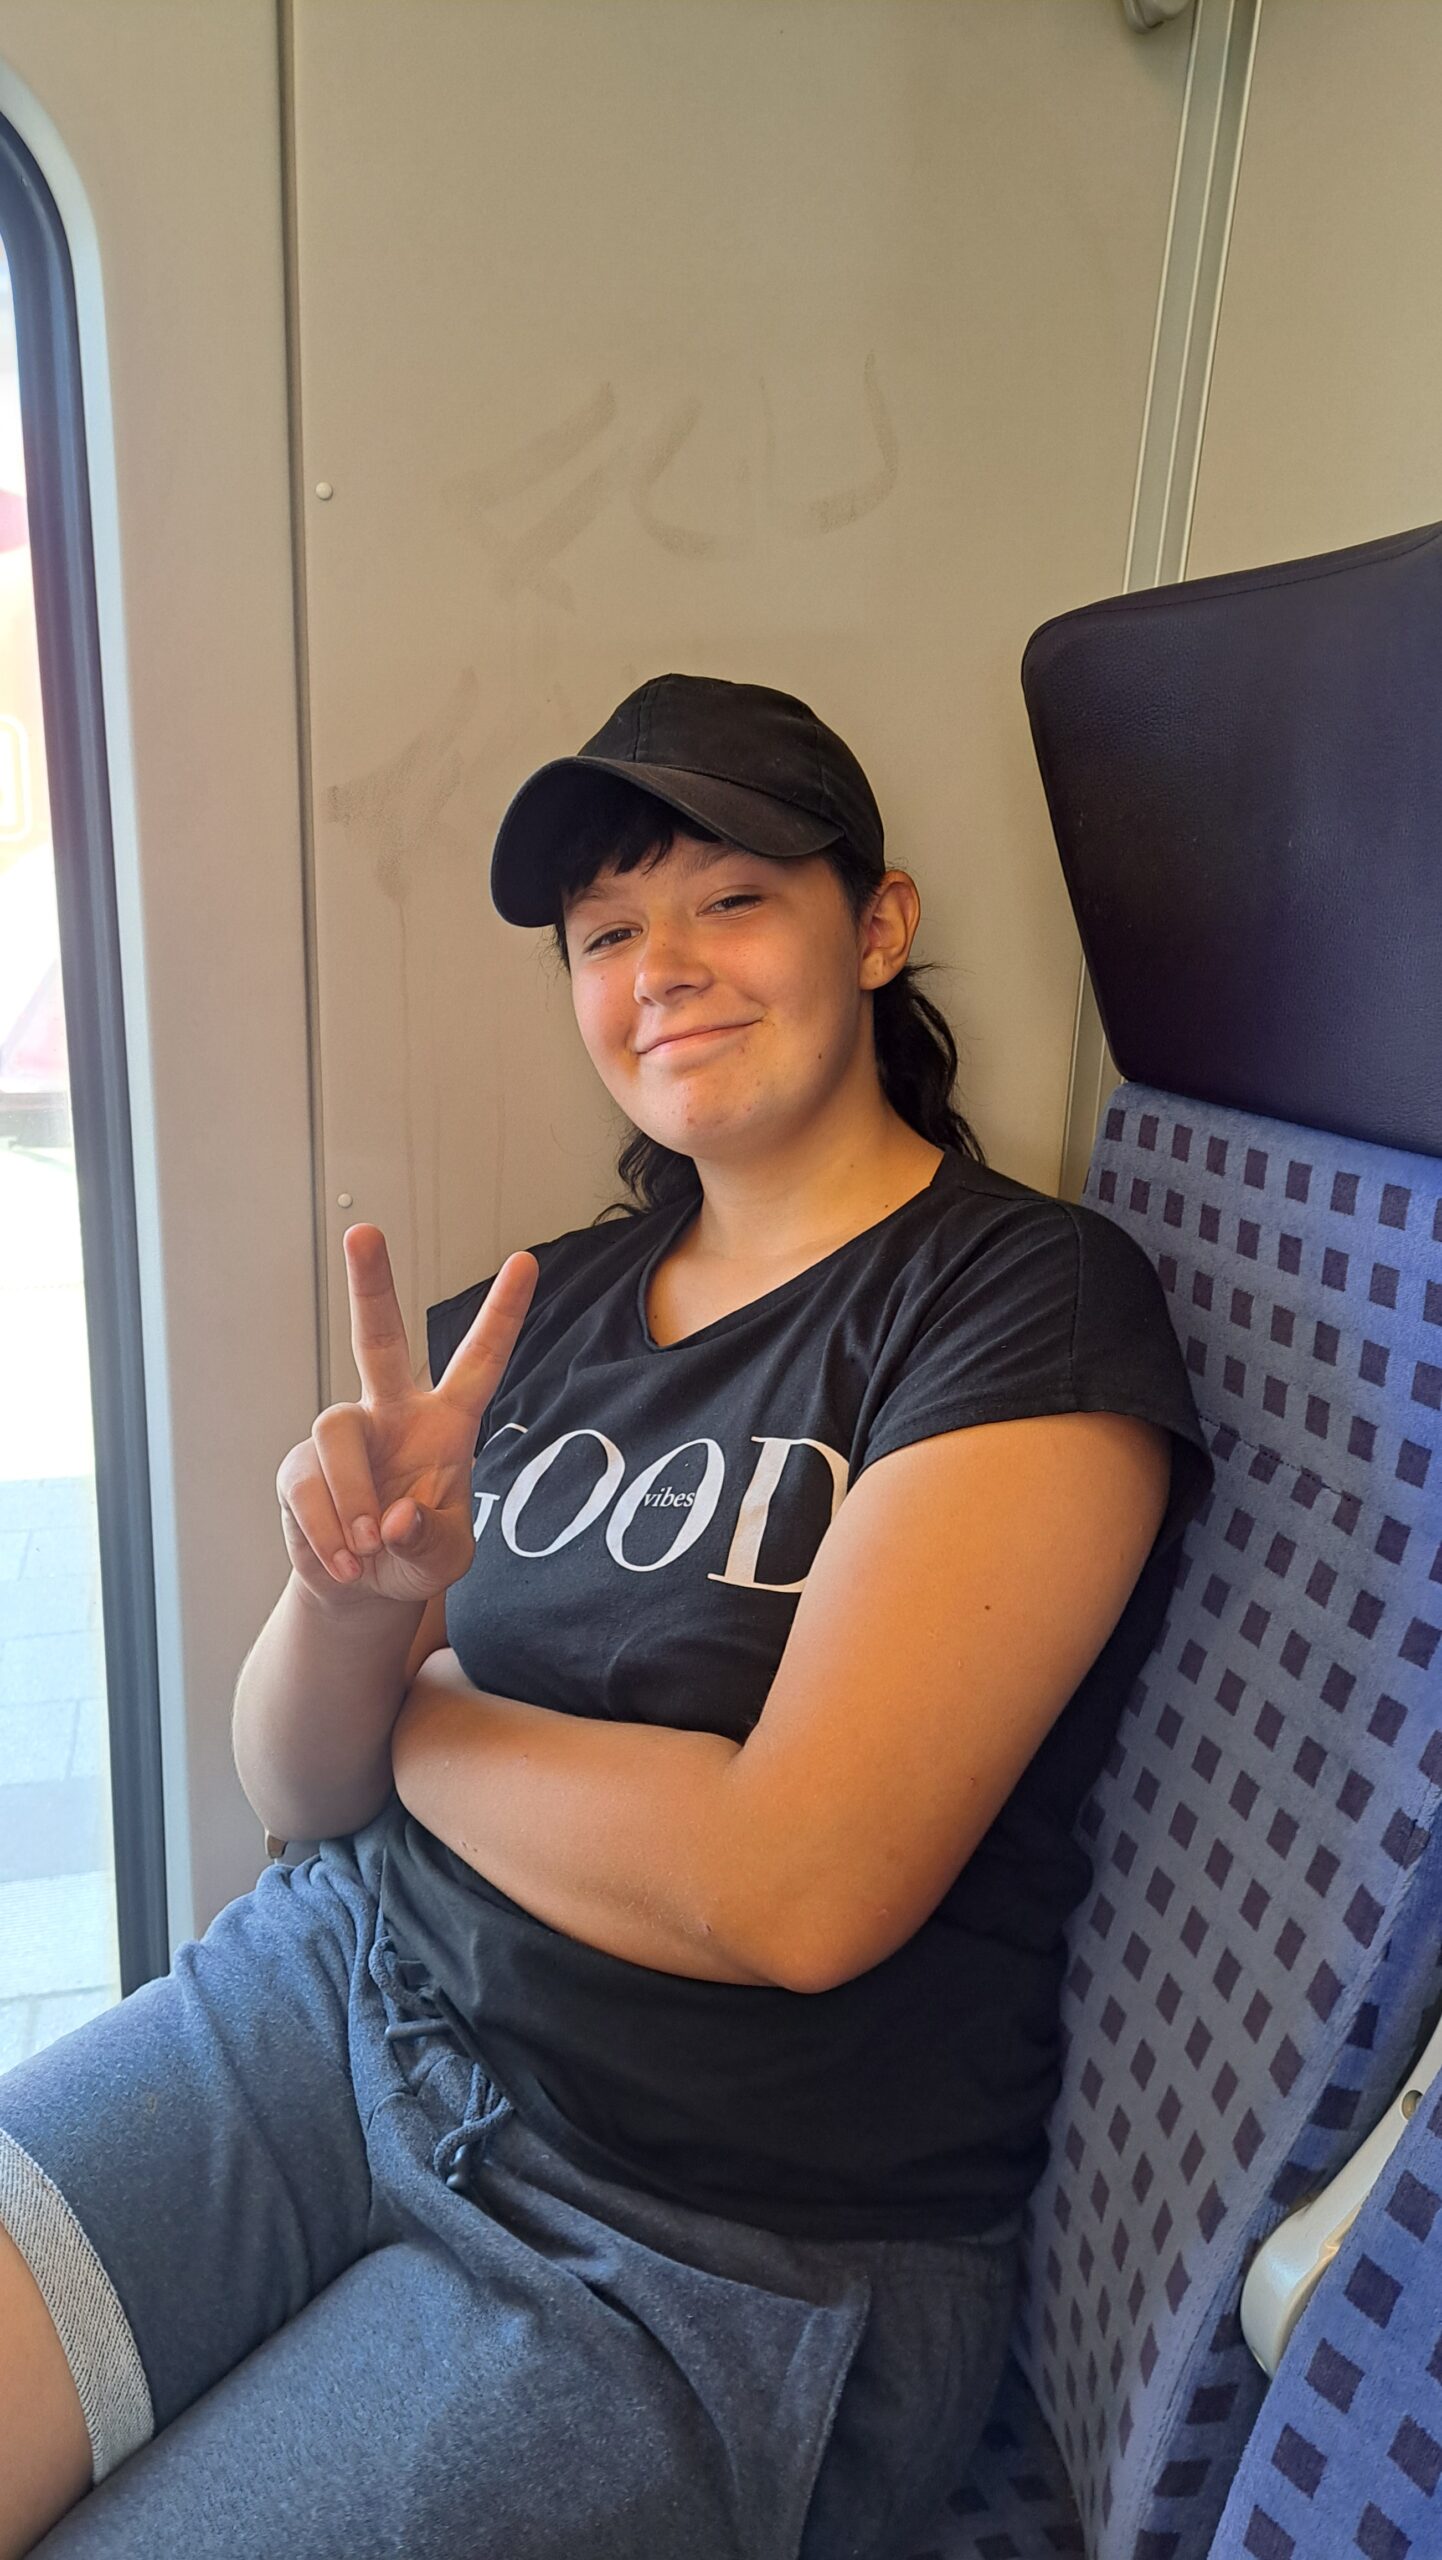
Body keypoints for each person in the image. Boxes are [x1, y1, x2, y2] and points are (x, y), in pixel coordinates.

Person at [0, 673, 1214, 2558]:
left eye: (732, 899)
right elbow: (297, 1793)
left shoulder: (1017, 1302)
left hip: (702, 2230)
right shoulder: (545, 1305)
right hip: (340, 1995)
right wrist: (353, 1605)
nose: (666, 970)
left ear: (875, 927)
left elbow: (792, 1886)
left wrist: (417, 1713)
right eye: (607, 933)